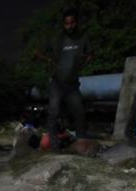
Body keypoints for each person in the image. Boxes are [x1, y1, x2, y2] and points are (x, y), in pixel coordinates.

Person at [35, 8, 93, 149]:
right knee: (53, 112)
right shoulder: (57, 39)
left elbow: (91, 53)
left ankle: (82, 142)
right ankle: (54, 146)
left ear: (76, 23)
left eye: (72, 23)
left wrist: (81, 65)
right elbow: (37, 52)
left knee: (79, 111)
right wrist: (48, 59)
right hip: (57, 83)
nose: (69, 26)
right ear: (63, 24)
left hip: (72, 84)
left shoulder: (82, 38)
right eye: (66, 23)